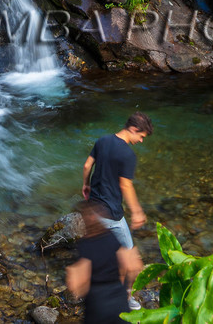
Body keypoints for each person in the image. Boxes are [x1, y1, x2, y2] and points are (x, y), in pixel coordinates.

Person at [81, 112, 152, 308]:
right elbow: (126, 186)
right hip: (111, 214)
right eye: (142, 137)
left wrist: (86, 185)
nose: (141, 141)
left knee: (106, 257)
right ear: (134, 129)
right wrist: (137, 211)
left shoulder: (102, 140)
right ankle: (126, 300)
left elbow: (87, 165)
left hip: (93, 211)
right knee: (132, 262)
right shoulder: (128, 154)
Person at [67, 200, 144, 324]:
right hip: (119, 302)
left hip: (97, 306)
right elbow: (134, 266)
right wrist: (126, 288)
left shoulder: (85, 245)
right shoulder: (111, 237)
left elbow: (79, 284)